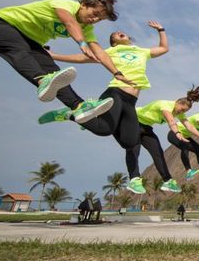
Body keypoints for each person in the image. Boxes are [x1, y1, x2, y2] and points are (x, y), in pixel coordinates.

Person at [39, 21, 169, 195]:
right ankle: (70, 114)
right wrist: (54, 55)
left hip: (131, 102)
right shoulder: (110, 52)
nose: (119, 32)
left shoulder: (142, 51)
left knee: (130, 142)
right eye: (115, 34)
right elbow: (83, 58)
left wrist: (161, 29)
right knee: (103, 130)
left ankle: (74, 115)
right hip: (114, 94)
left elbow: (163, 48)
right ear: (114, 42)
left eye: (121, 31)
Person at [0, 0, 125, 123]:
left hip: (31, 41)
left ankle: (78, 107)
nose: (95, 19)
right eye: (95, 13)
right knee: (21, 49)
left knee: (53, 71)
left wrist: (116, 73)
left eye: (100, 19)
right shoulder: (66, 4)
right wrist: (82, 42)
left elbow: (100, 52)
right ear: (84, 5)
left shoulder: (87, 28)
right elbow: (69, 22)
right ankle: (41, 80)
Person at [135, 85, 199, 193]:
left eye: (183, 111)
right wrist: (177, 132)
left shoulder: (179, 112)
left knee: (158, 152)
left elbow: (188, 125)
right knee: (134, 149)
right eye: (181, 109)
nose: (180, 113)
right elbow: (171, 121)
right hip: (133, 120)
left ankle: (167, 181)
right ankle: (135, 178)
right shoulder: (166, 105)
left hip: (146, 128)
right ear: (177, 102)